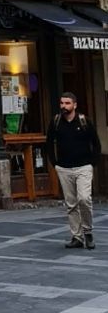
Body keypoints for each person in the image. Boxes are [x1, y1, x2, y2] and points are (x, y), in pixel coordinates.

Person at [45, 92, 101, 250]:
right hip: (64, 168)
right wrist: (54, 163)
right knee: (71, 204)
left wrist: (92, 163)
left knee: (84, 199)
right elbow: (49, 143)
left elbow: (96, 143)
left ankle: (88, 232)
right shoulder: (56, 122)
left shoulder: (84, 121)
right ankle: (77, 236)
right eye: (62, 103)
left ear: (74, 105)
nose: (64, 106)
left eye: (67, 103)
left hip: (83, 166)